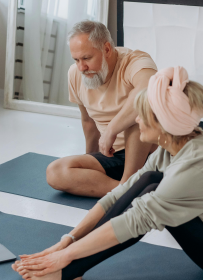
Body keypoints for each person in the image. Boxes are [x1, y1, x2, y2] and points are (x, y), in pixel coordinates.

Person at [13, 66, 203, 280]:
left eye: (141, 115)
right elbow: (120, 193)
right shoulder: (176, 144)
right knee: (147, 181)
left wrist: (66, 258)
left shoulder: (196, 167)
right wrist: (67, 241)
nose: (136, 120)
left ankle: (66, 272)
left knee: (151, 196)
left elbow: (134, 221)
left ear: (162, 124)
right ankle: (69, 268)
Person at [46, 20, 158, 198]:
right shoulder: (75, 74)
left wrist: (112, 129)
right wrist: (89, 161)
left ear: (106, 49)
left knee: (139, 111)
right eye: (76, 60)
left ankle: (129, 182)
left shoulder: (135, 61)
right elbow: (88, 122)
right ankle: (129, 189)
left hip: (148, 153)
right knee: (55, 172)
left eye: (86, 58)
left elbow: (147, 89)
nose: (82, 67)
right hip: (112, 153)